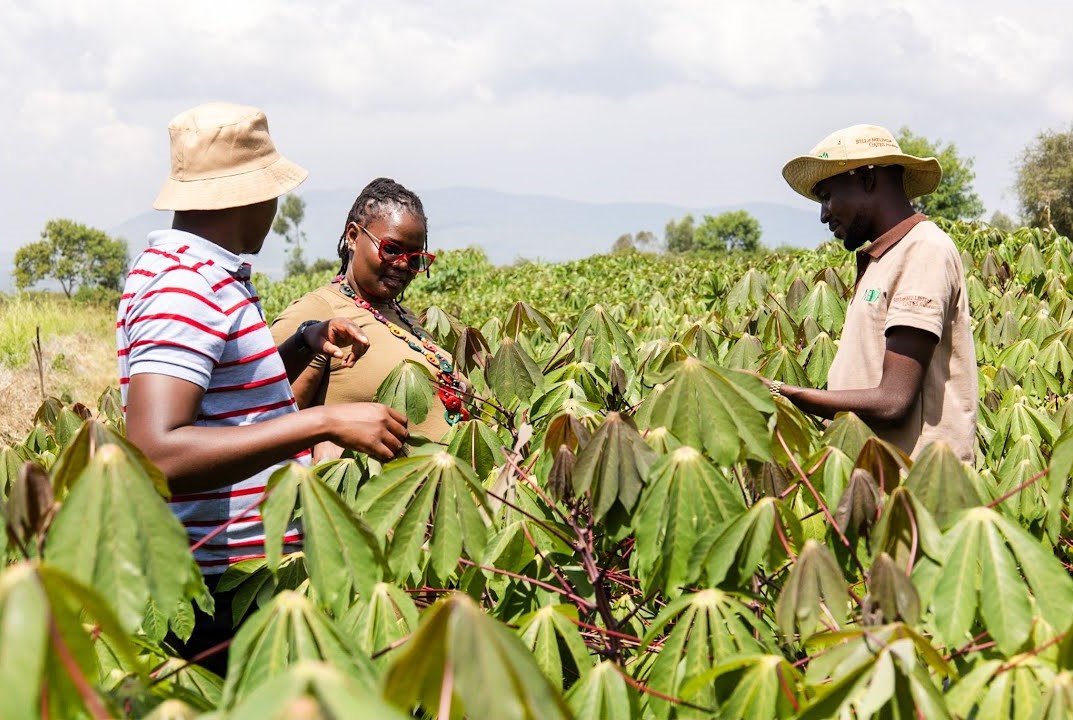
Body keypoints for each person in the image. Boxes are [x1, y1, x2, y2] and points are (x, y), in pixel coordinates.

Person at [117, 103, 409, 672]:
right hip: (219, 588)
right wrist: (325, 422)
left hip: (249, 571)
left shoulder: (202, 275)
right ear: (246, 197)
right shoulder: (184, 286)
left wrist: (302, 344)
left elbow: (220, 405)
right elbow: (158, 450)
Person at [774, 123, 977, 463]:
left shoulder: (923, 250)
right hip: (875, 480)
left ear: (867, 180)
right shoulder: (883, 259)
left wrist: (784, 392)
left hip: (916, 493)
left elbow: (893, 401)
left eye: (826, 196)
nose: (823, 214)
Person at [270, 178, 469, 456]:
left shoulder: (406, 318)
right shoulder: (316, 313)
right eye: (391, 249)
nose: (403, 265)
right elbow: (269, 424)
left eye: (415, 259)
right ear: (353, 236)